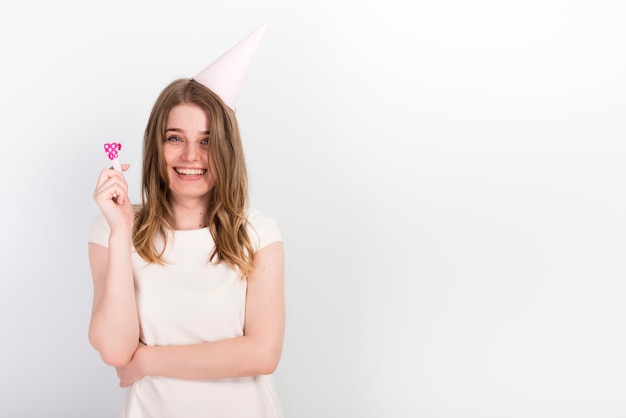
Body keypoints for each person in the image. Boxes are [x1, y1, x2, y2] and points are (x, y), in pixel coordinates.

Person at [87, 25, 285, 418]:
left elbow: (262, 353)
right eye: (175, 138)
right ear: (155, 146)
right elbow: (114, 349)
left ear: (226, 149)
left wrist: (148, 361)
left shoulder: (257, 233)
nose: (190, 155)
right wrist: (121, 231)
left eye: (207, 141)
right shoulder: (111, 230)